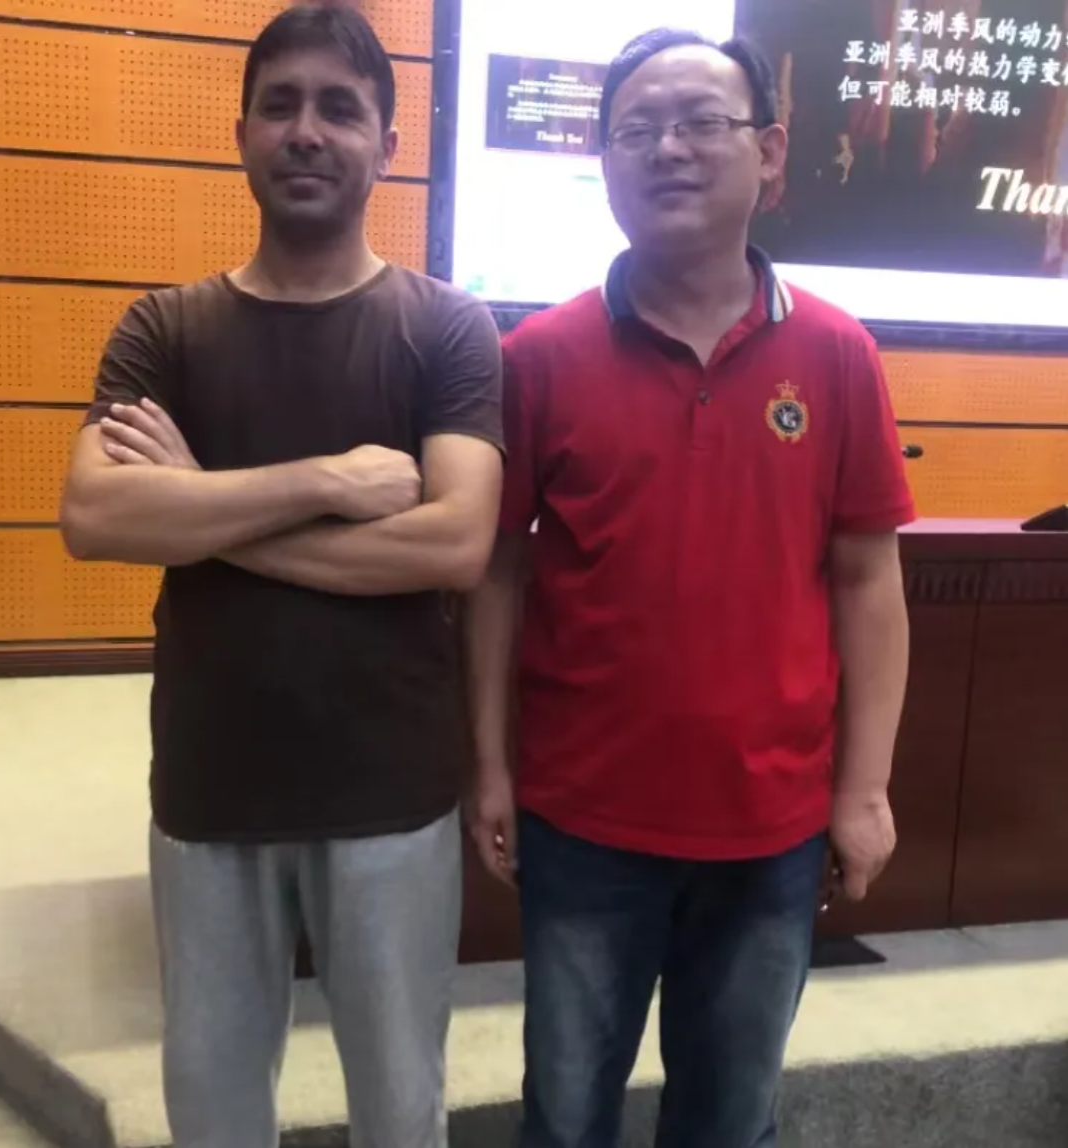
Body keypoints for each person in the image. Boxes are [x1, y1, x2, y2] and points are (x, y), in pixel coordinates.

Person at [59, 6, 504, 1148]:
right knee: (212, 1112)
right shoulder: (165, 328)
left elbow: (454, 543)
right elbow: (95, 514)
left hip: (392, 796)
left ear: (387, 146)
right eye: (281, 105)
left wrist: (201, 511)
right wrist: (328, 479)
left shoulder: (447, 328)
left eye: (339, 109)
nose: (306, 130)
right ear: (243, 134)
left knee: (401, 1111)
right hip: (211, 793)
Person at [465, 27, 914, 1148]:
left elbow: (868, 581)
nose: (667, 149)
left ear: (769, 152)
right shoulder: (539, 357)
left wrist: (862, 791)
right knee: (566, 1115)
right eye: (636, 130)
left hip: (771, 829)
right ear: (605, 163)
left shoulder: (838, 355)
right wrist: (489, 767)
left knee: (729, 1119)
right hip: (583, 821)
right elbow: (497, 573)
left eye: (700, 123)